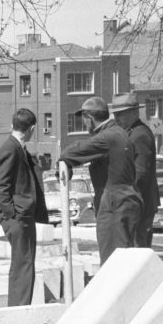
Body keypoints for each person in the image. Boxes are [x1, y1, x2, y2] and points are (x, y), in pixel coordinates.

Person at [60, 97, 142, 265]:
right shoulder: (119, 132)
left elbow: (72, 152)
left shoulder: (106, 137)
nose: (84, 124)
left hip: (113, 203)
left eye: (83, 119)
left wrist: (62, 162)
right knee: (125, 257)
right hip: (127, 199)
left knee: (112, 260)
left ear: (89, 118)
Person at [0, 107, 49, 307]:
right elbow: (0, 186)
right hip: (18, 218)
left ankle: (20, 308)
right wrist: (13, 214)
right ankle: (18, 311)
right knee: (22, 267)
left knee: (25, 266)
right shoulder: (10, 148)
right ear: (32, 128)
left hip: (24, 215)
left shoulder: (18, 147)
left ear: (12, 125)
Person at [110, 91, 160, 248]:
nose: (117, 118)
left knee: (138, 247)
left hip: (140, 203)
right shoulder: (130, 133)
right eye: (115, 114)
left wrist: (125, 195)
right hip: (134, 201)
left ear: (133, 112)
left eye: (121, 114)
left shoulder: (139, 135)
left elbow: (140, 173)